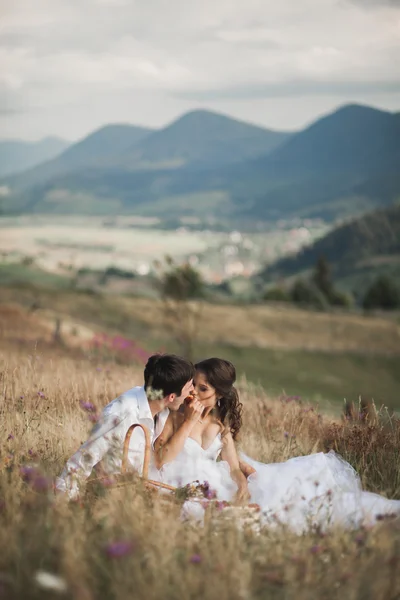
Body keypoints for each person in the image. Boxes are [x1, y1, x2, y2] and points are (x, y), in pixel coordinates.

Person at [154, 357, 400, 533]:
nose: (193, 392)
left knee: (287, 498)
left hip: (215, 481)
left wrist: (242, 485)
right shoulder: (175, 414)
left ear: (218, 394)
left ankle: (376, 513)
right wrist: (188, 422)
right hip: (182, 481)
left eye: (202, 388)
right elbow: (161, 459)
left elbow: (233, 467)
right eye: (193, 384)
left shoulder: (220, 425)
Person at [56, 353, 195, 499]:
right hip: (110, 496)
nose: (192, 391)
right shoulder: (122, 414)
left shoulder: (159, 405)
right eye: (189, 387)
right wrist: (66, 504)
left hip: (139, 493)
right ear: (171, 397)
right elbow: (82, 460)